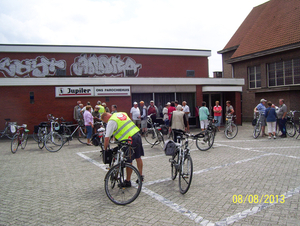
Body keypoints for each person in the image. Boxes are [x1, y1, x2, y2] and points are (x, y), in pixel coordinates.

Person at [101, 112, 144, 186]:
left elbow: (107, 138)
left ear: (105, 118)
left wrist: (105, 149)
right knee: (138, 157)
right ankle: (140, 176)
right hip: (136, 134)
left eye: (105, 121)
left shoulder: (111, 121)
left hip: (128, 139)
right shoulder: (121, 113)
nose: (107, 122)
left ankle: (128, 181)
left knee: (128, 161)